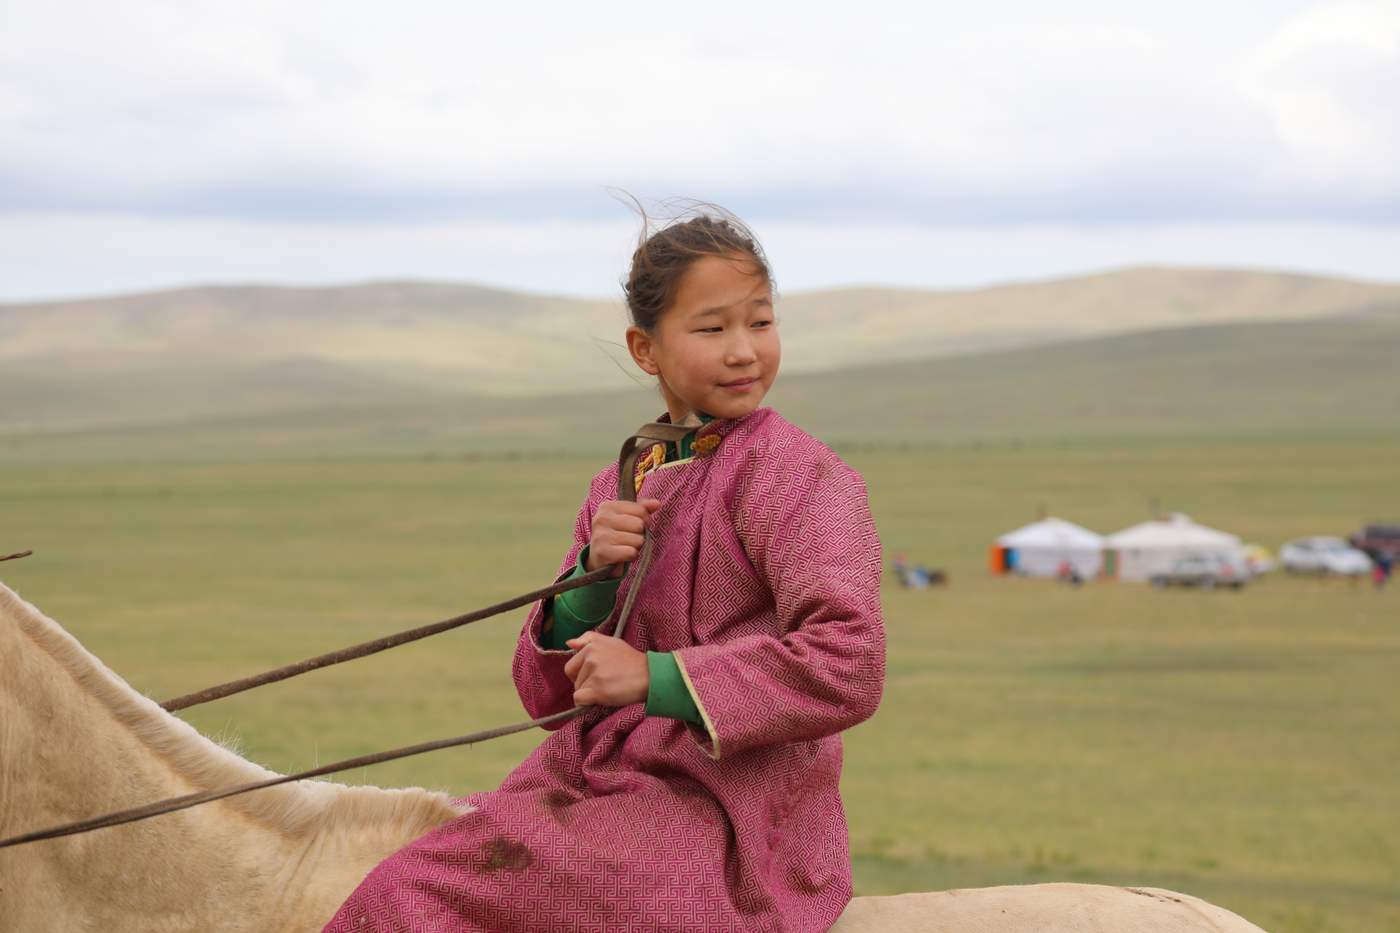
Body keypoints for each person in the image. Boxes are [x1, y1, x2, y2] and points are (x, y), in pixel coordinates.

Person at [324, 207, 886, 932]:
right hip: (593, 780)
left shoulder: (802, 476)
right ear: (645, 349)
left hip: (736, 806)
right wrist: (592, 579)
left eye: (761, 322)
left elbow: (849, 661)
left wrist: (654, 678)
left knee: (612, 900)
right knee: (406, 883)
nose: (745, 351)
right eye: (713, 329)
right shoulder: (621, 484)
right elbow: (551, 697)